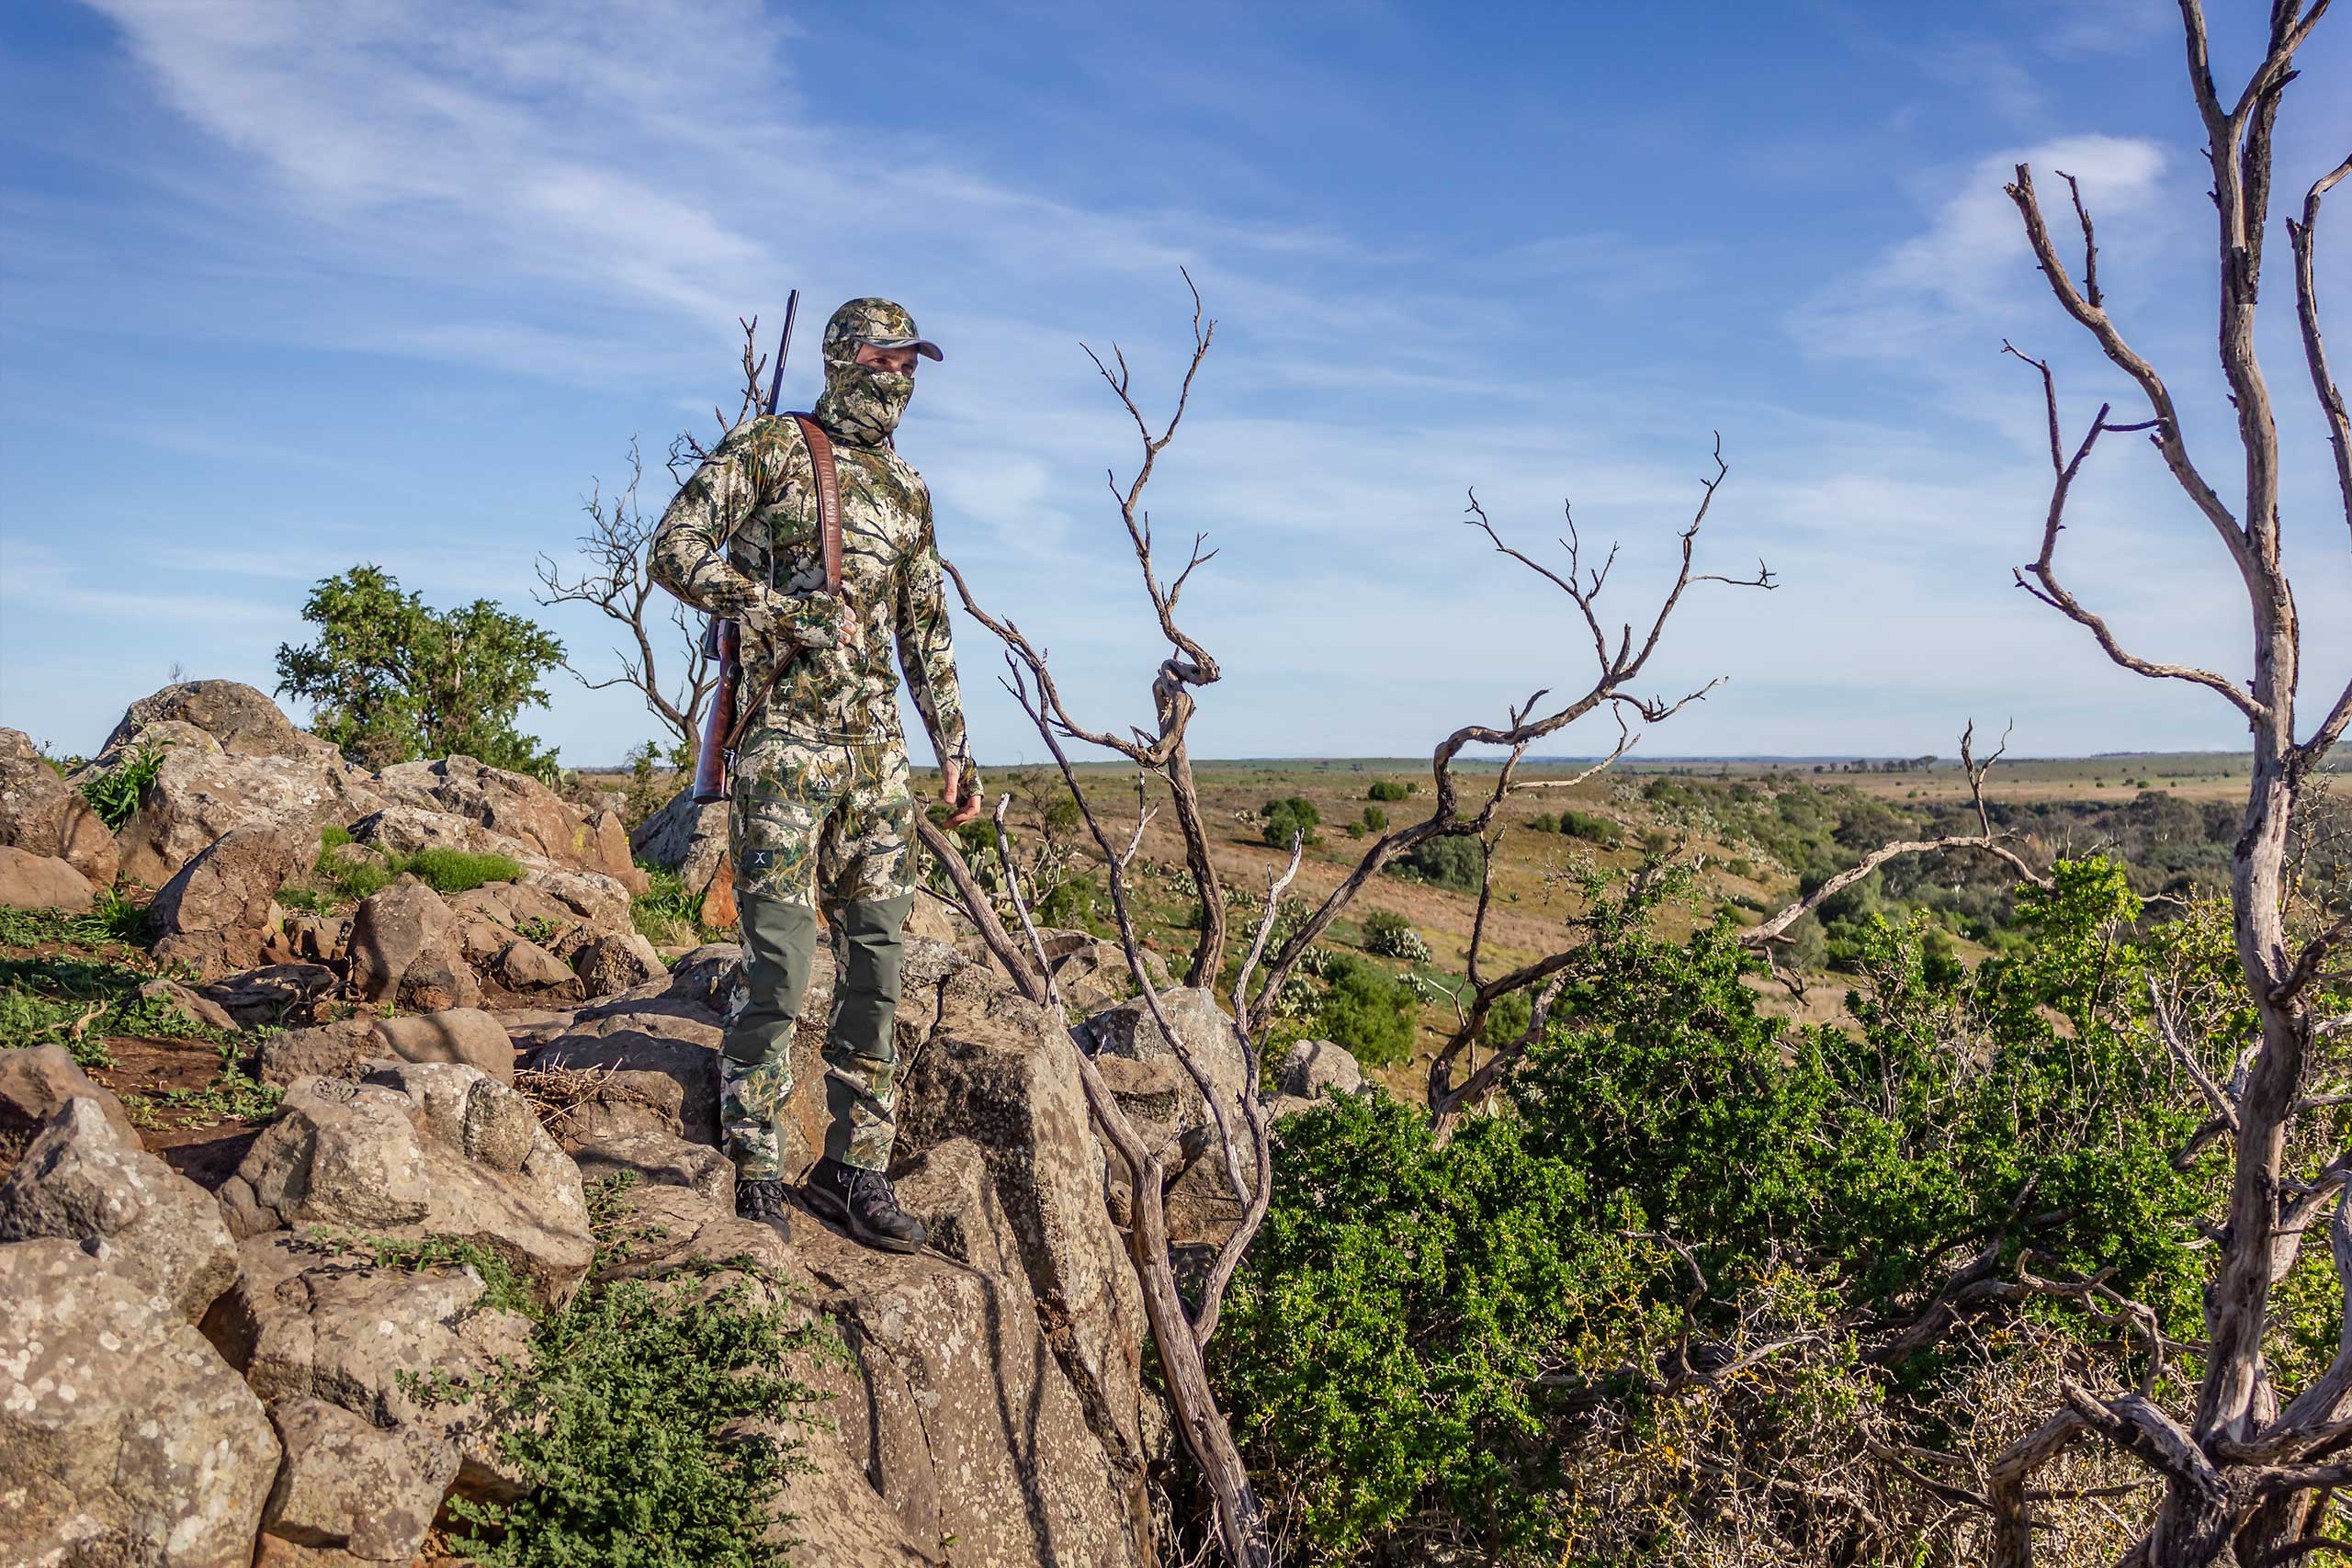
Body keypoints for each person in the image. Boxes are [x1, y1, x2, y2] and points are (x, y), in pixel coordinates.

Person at [649, 297, 982, 1252]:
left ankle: (853, 1168)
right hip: (785, 747)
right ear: (841, 359)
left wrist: (954, 747)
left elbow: (925, 629)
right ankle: (755, 1160)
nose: (900, 380)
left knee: (878, 965)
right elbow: (672, 549)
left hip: (878, 760)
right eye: (885, 361)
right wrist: (773, 609)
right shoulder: (771, 448)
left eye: (911, 366)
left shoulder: (909, 488)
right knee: (782, 967)